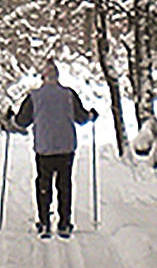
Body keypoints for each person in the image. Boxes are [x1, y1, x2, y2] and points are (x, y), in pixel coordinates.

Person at [10, 58, 98, 239]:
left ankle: (44, 223)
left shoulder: (34, 97)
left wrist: (11, 117)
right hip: (66, 147)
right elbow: (81, 118)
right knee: (64, 184)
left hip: (44, 148)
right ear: (58, 77)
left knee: (44, 183)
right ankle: (64, 223)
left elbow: (22, 122)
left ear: (43, 77)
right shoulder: (68, 94)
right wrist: (91, 115)